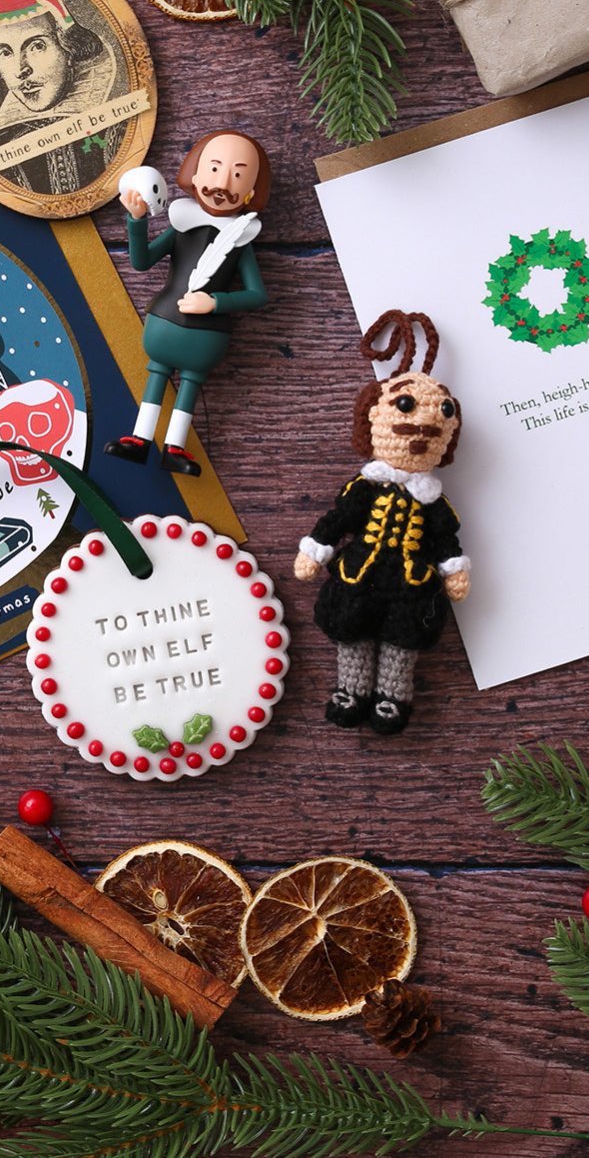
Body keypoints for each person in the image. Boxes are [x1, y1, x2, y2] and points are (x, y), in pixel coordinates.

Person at [294, 311, 470, 735]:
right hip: (358, 573)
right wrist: (316, 549)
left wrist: (454, 570)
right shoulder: (366, 487)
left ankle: (393, 697)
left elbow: (446, 537)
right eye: (406, 407)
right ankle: (350, 691)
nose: (423, 427)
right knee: (351, 633)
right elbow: (340, 519)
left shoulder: (432, 501)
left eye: (440, 415)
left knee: (401, 642)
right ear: (374, 420)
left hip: (410, 584)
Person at [104, 130, 271, 476]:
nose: (222, 182)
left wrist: (214, 301)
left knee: (190, 385)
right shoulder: (182, 226)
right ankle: (139, 439)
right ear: (194, 175)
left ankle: (175, 447)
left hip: (206, 337)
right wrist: (136, 221)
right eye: (214, 168)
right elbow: (141, 262)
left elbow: (257, 295)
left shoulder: (241, 241)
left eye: (238, 174)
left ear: (252, 191)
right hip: (164, 324)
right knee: (157, 374)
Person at [0, 0, 118, 196]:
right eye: (5, 52)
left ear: (69, 48)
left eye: (36, 46)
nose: (20, 70)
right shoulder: (0, 144)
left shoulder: (117, 126)